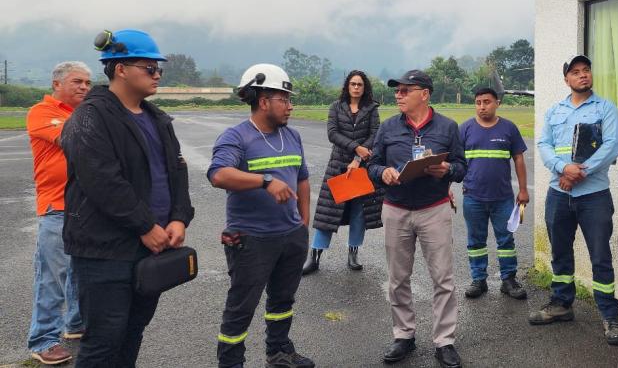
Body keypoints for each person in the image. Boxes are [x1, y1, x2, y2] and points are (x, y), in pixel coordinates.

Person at [61, 30, 195, 367]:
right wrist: (145, 225)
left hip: (151, 246)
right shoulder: (90, 117)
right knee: (103, 341)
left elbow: (177, 171)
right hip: (105, 251)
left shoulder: (157, 118)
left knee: (133, 331)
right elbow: (102, 181)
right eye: (149, 68)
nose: (157, 74)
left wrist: (179, 217)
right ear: (120, 69)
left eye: (158, 68)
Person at [208, 63, 314, 368]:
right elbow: (218, 174)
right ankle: (231, 363)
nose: (290, 106)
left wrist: (303, 222)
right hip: (251, 239)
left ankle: (278, 351)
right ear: (263, 101)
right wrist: (265, 181)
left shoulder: (292, 136)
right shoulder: (236, 137)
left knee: (282, 300)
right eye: (284, 99)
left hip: (290, 235)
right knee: (241, 308)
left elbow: (302, 178)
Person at [367, 69, 467, 368]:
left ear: (424, 94)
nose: (398, 95)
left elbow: (462, 167)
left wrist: (447, 169)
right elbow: (373, 164)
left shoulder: (448, 127)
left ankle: (444, 341)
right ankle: (404, 335)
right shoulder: (388, 127)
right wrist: (382, 172)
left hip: (434, 209)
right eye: (396, 91)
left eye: (404, 90)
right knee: (398, 278)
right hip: (396, 209)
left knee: (443, 279)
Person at [530, 55, 618, 346]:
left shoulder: (605, 109)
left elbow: (611, 147)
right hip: (558, 195)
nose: (583, 75)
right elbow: (544, 144)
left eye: (586, 70)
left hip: (593, 196)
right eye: (575, 72)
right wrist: (563, 169)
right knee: (559, 252)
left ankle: (609, 315)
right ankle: (561, 304)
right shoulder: (554, 111)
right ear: (567, 79)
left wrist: (577, 173)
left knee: (600, 256)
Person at [25, 61, 91, 365]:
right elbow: (77, 138)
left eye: (87, 83)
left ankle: (75, 324)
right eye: (77, 81)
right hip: (56, 207)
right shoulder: (42, 112)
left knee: (81, 269)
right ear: (56, 84)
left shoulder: (83, 114)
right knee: (52, 276)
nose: (84, 87)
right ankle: (43, 340)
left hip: (85, 207)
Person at [303, 70, 383, 275]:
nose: (356, 87)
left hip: (361, 167)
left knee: (359, 212)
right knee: (327, 213)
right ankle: (315, 257)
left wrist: (358, 158)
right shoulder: (336, 107)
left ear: (364, 88)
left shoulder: (372, 109)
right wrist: (356, 148)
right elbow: (332, 133)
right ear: (347, 86)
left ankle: (353, 254)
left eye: (360, 84)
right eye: (353, 84)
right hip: (337, 166)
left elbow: (375, 134)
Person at [459, 87, 529, 300]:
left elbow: (518, 159)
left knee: (506, 240)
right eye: (478, 102)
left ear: (497, 103)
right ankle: (478, 279)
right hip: (473, 197)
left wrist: (523, 190)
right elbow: (455, 162)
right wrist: (446, 190)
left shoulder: (509, 128)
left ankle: (508, 280)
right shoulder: (465, 129)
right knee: (475, 241)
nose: (482, 106)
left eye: (487, 102)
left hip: (503, 198)